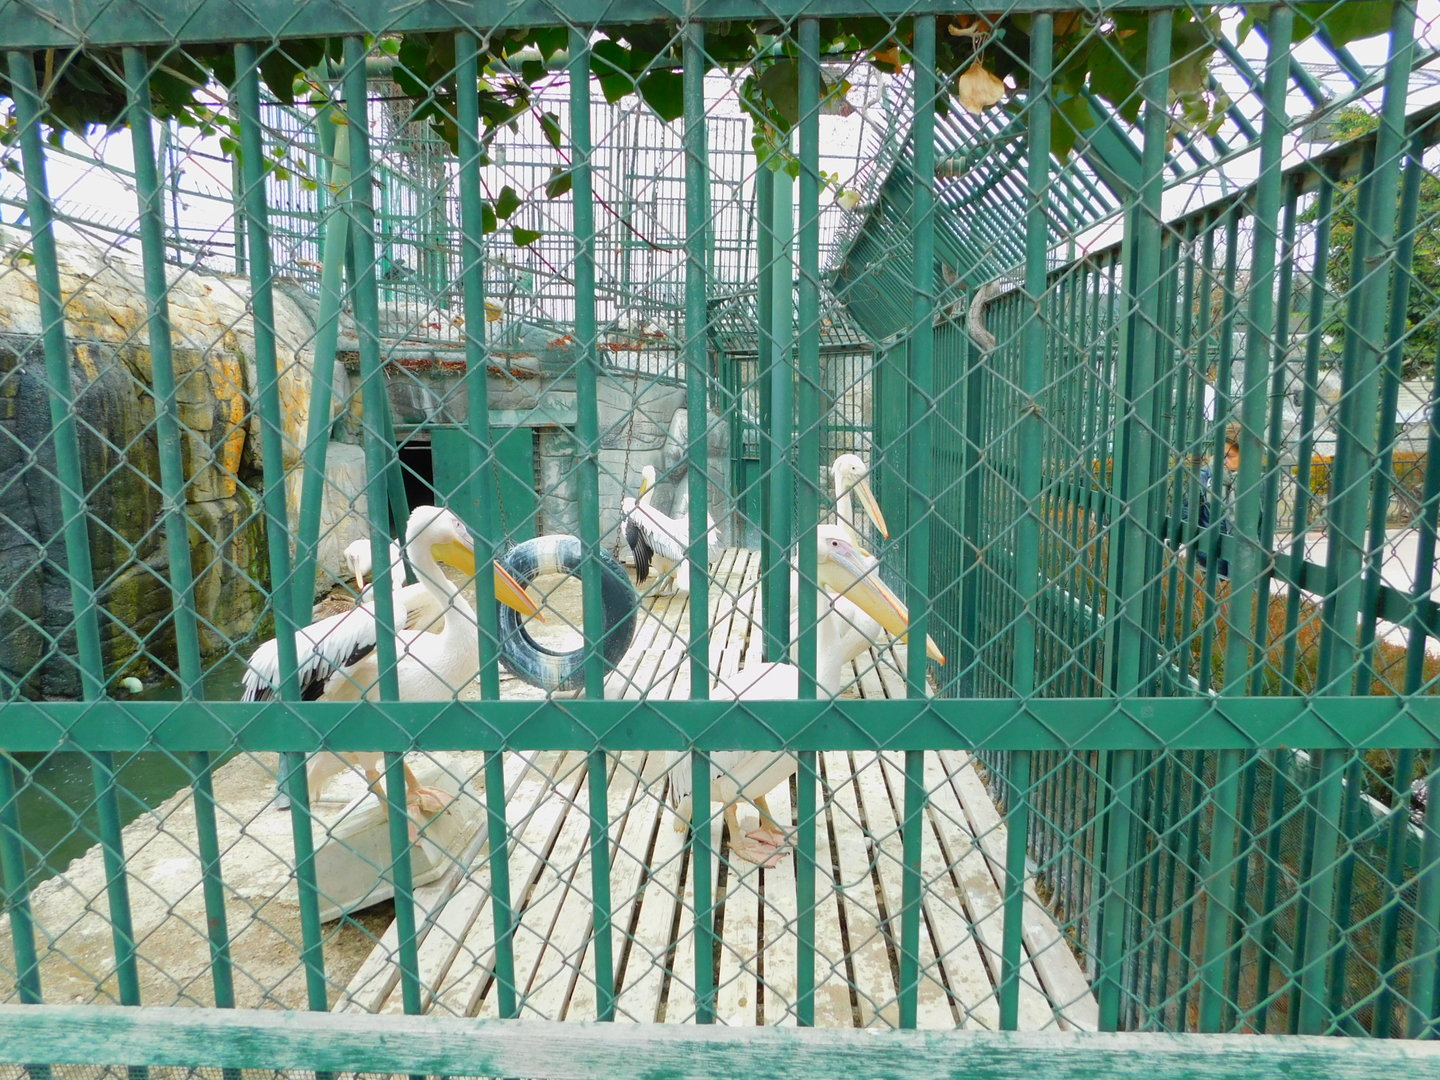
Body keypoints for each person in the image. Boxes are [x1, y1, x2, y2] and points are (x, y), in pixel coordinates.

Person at [1189, 424, 1241, 579]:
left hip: (1244, 559)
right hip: (1210, 557)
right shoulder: (1205, 475)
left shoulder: (1258, 481)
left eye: (1229, 456)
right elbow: (1188, 513)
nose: (1222, 461)